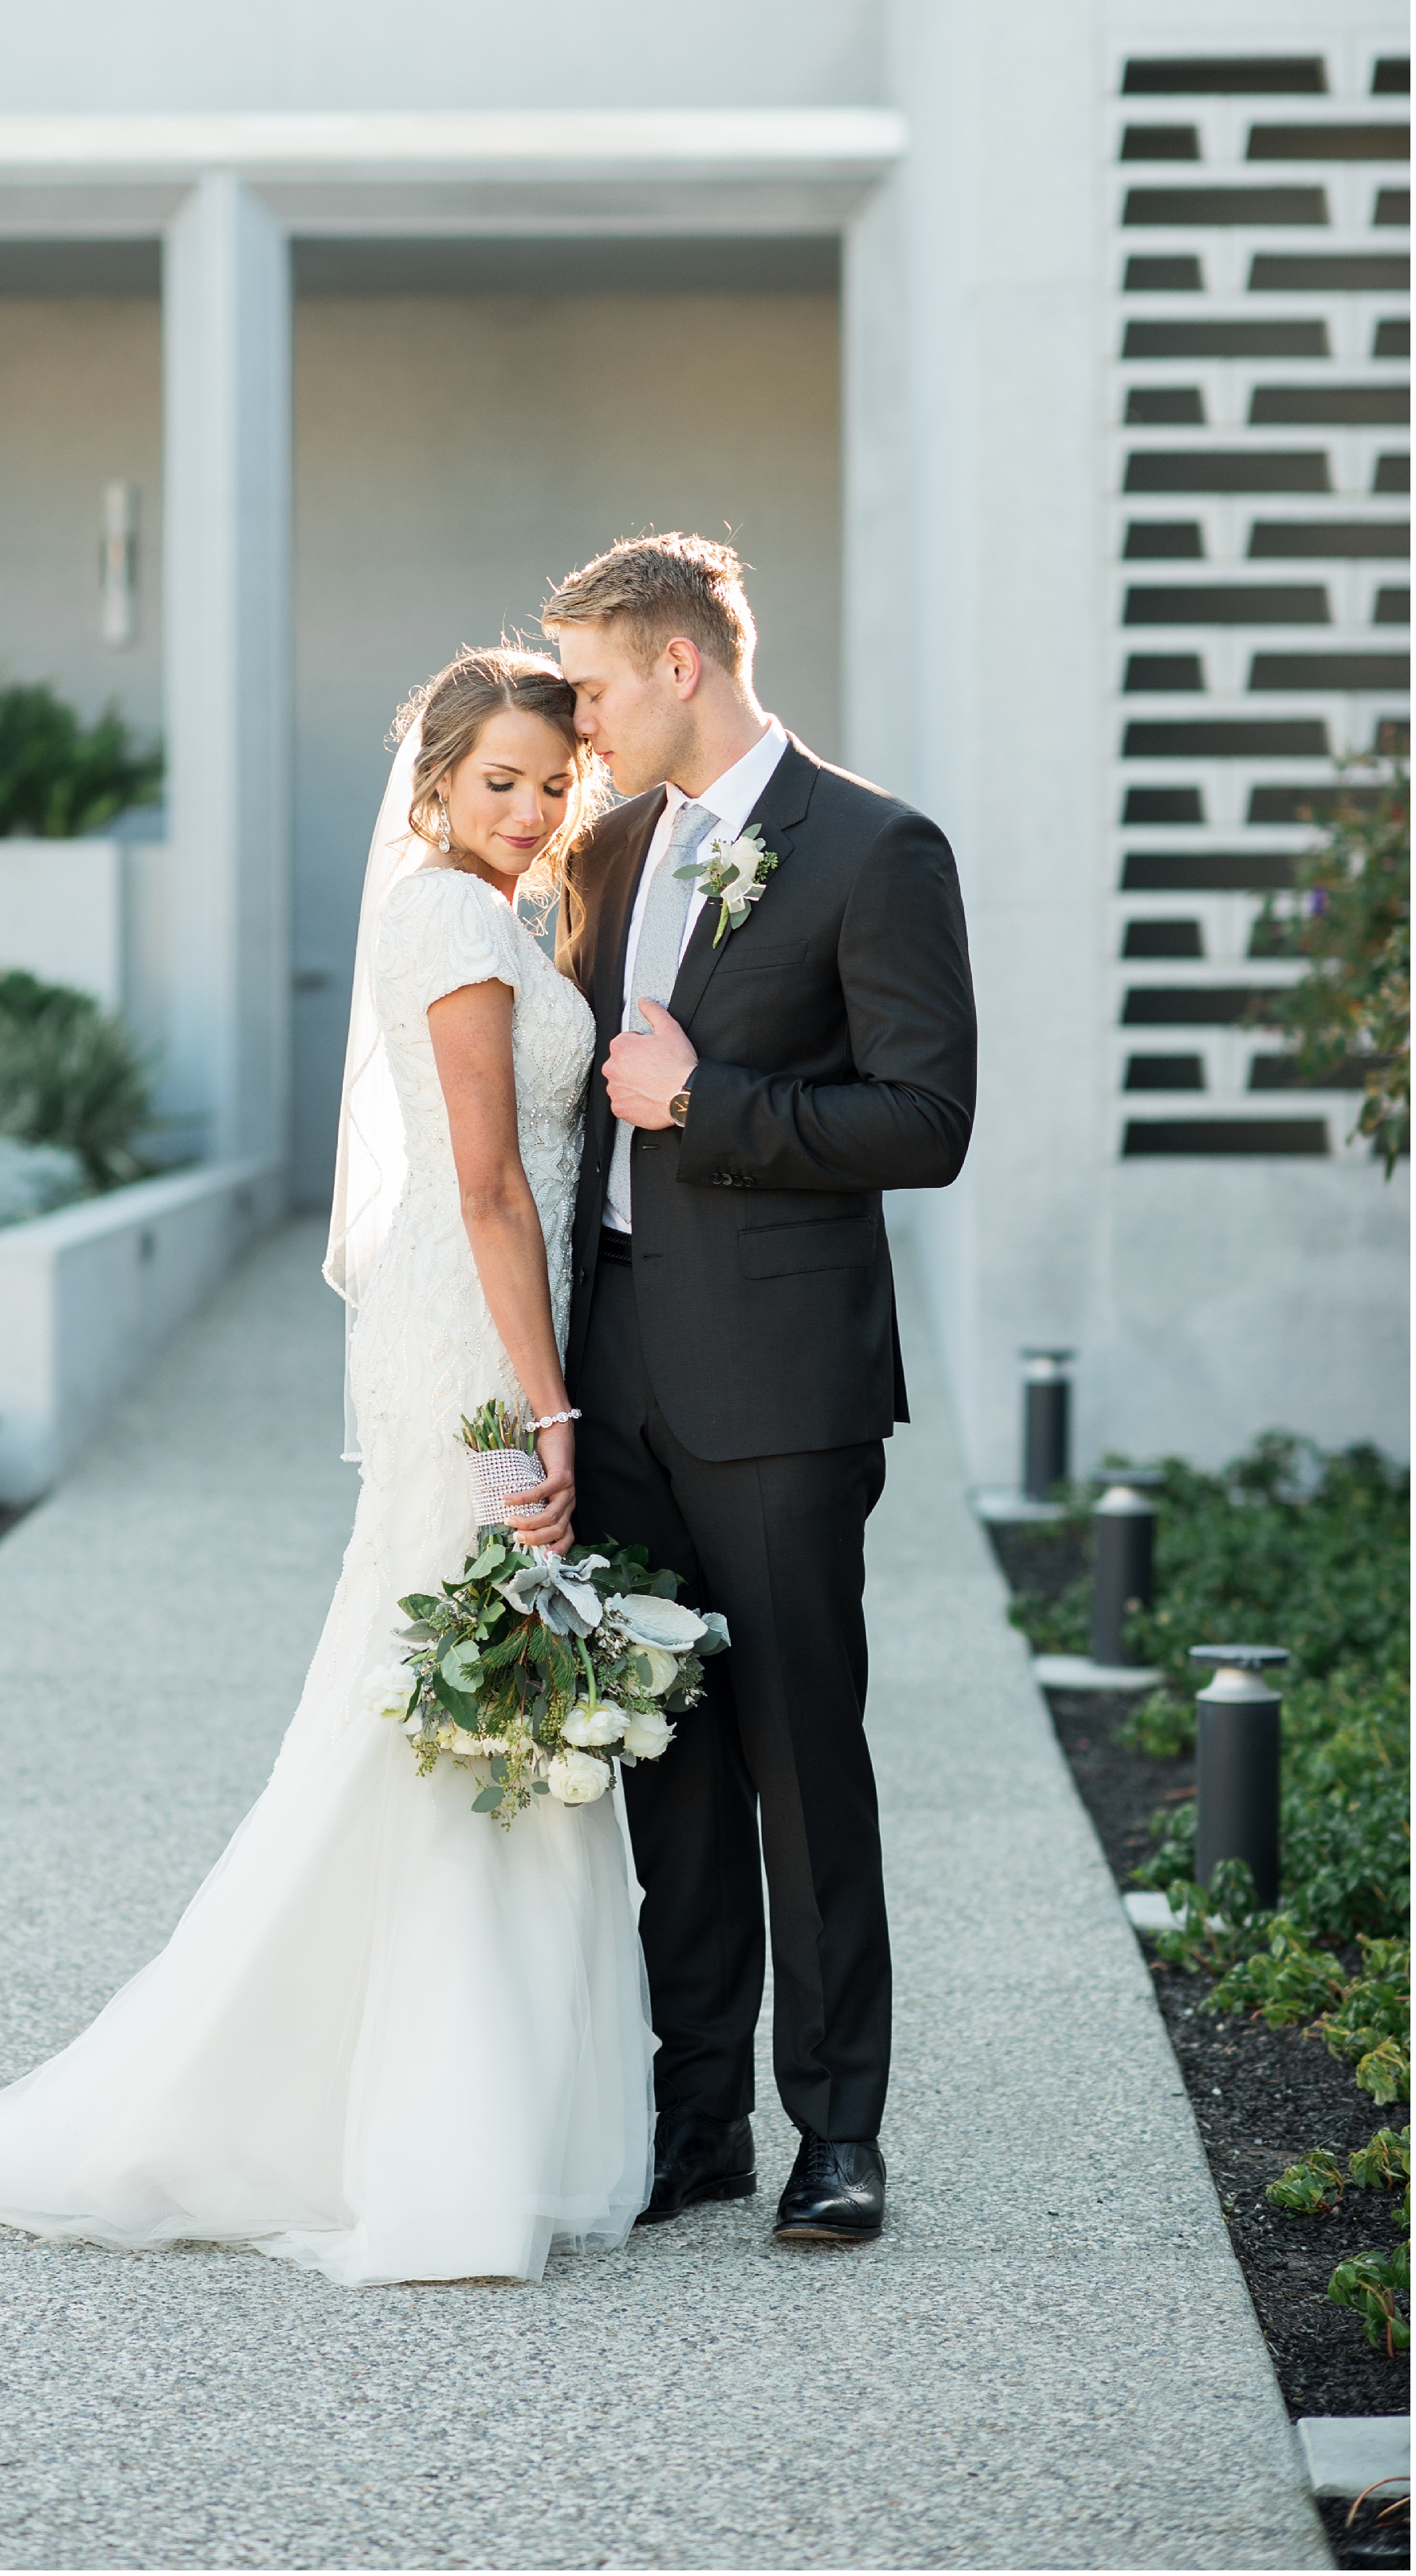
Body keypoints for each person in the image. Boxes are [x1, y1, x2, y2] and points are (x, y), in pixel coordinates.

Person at [0, 648, 654, 2287]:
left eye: (555, 784)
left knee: (457, 1704)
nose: (531, 809)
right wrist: (554, 1409)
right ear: (430, 785)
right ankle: (408, 2135)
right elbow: (488, 1187)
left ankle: (481, 2113)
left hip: (502, 1325)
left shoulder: (506, 916)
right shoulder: (441, 915)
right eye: (500, 780)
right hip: (478, 1344)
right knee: (451, 1708)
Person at [546, 534, 977, 2247]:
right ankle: (693, 2117)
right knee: (657, 1753)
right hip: (618, 1362)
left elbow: (922, 1123)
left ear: (674, 666)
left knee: (799, 1753)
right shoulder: (603, 851)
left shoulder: (876, 849)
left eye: (586, 685)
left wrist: (702, 1102)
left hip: (784, 1383)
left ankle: (838, 2133)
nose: (573, 720)